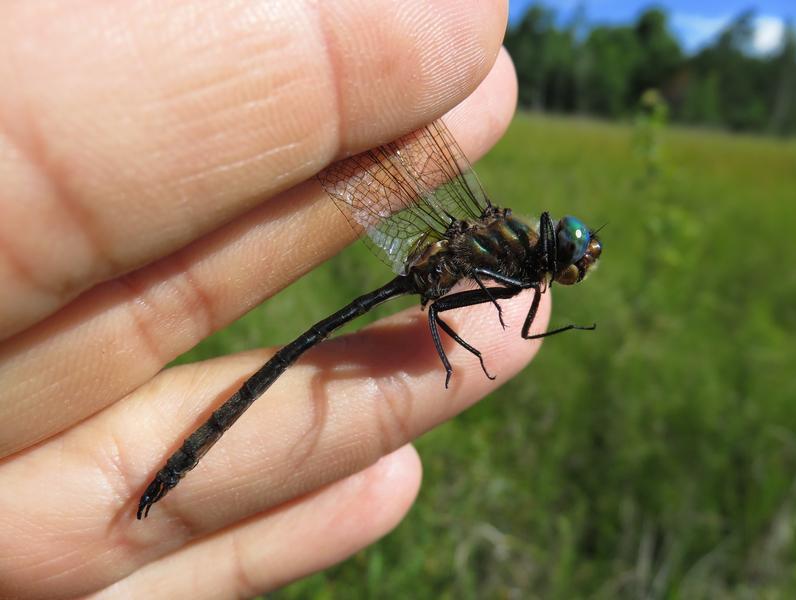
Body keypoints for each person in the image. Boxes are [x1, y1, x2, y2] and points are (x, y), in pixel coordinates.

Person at [0, 1, 548, 596]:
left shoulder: (509, 252)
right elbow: (469, 303)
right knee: (285, 365)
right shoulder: (502, 246)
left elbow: (478, 301)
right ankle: (170, 475)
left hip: (437, 275)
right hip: (430, 272)